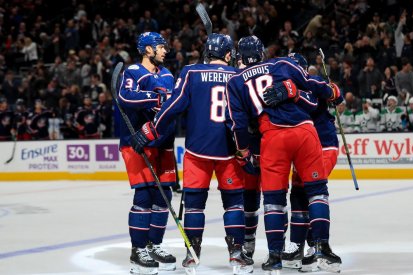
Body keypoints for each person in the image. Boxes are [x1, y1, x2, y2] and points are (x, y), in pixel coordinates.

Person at [130, 33, 253, 274]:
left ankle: (192, 256)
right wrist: (248, 149)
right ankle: (237, 255)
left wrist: (150, 130)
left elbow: (173, 106)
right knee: (234, 205)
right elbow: (248, 114)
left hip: (197, 151)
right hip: (229, 150)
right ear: (228, 54)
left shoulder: (191, 72)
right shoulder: (238, 75)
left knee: (195, 207)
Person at [226, 36, 342, 274]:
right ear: (261, 53)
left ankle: (275, 257)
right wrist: (331, 92)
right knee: (317, 192)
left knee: (273, 202)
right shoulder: (280, 64)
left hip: (273, 137)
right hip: (305, 132)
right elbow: (312, 83)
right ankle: (322, 249)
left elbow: (237, 124)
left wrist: (244, 150)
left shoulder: (235, 81)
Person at [272, 53, 341, 273]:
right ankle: (296, 247)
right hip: (304, 148)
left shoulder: (309, 83)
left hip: (324, 145)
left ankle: (315, 246)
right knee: (298, 194)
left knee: (310, 193)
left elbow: (333, 97)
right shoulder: (289, 86)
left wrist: (333, 91)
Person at [118, 32, 177, 275]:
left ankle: (155, 245)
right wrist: (154, 96)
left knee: (164, 197)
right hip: (137, 142)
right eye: (161, 47)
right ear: (147, 50)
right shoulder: (132, 71)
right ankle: (138, 249)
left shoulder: (167, 74)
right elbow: (124, 97)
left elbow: (172, 105)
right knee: (144, 197)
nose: (165, 51)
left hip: (161, 142)